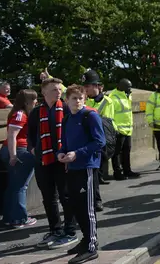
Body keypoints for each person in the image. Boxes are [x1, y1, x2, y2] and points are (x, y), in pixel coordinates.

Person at [27, 78, 78, 249]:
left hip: (61, 159)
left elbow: (74, 131)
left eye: (59, 89)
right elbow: (30, 134)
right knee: (49, 198)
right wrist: (32, 149)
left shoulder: (65, 108)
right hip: (43, 160)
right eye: (54, 89)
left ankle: (70, 231)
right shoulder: (36, 112)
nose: (58, 92)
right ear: (44, 92)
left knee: (66, 196)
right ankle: (55, 230)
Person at [59, 85, 105, 264]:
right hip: (72, 166)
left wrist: (78, 153)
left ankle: (92, 246)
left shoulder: (90, 116)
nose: (77, 101)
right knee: (75, 206)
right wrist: (61, 153)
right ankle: (85, 240)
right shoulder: (68, 118)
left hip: (86, 166)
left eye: (80, 98)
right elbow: (65, 143)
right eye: (73, 98)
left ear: (84, 99)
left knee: (88, 208)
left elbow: (99, 142)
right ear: (67, 100)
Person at [0, 89, 38, 228]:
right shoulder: (21, 115)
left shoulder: (17, 113)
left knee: (14, 186)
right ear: (27, 102)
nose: (36, 102)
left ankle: (9, 217)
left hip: (13, 151)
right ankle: (19, 218)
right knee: (21, 186)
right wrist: (14, 155)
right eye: (34, 99)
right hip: (20, 152)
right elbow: (12, 136)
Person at [82, 70, 116, 212]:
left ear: (96, 86)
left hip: (97, 142)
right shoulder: (84, 100)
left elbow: (105, 122)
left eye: (88, 86)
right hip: (85, 141)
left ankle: (96, 201)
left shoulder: (107, 102)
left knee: (94, 174)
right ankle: (90, 200)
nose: (86, 89)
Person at [109, 79, 139, 180]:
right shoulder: (113, 97)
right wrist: (115, 129)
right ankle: (117, 172)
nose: (130, 90)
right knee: (117, 153)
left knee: (126, 151)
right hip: (118, 129)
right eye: (128, 88)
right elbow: (110, 115)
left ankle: (127, 171)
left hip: (127, 129)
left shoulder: (127, 95)